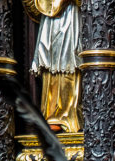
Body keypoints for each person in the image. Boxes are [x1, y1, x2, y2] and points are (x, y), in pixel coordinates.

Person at [25, 0, 82, 132]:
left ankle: (68, 115)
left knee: (68, 60)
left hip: (70, 14)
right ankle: (52, 114)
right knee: (51, 63)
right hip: (50, 17)